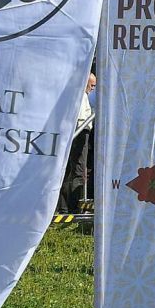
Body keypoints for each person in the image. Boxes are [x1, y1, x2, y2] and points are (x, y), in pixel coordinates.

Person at [57, 71, 96, 214]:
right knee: (77, 172)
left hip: (78, 132)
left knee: (70, 171)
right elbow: (80, 118)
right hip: (80, 132)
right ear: (85, 82)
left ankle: (65, 207)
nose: (93, 88)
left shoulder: (79, 95)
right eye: (92, 85)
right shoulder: (80, 95)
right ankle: (71, 207)